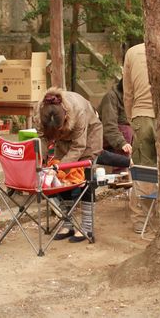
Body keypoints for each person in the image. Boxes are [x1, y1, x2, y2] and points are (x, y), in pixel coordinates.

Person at [35, 87, 103, 242]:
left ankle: (87, 227)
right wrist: (43, 161)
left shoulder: (78, 111)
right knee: (61, 180)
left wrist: (60, 167)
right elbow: (42, 138)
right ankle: (67, 223)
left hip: (88, 139)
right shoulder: (40, 111)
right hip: (62, 142)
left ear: (65, 117)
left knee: (85, 180)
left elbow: (79, 146)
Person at [123, 42, 157, 234]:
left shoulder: (132, 52)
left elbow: (128, 93)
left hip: (140, 116)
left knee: (143, 169)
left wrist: (132, 118)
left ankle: (140, 219)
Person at [98, 79, 133, 158]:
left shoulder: (136, 100)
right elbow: (109, 125)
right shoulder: (111, 97)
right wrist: (122, 143)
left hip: (118, 137)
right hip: (103, 136)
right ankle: (121, 168)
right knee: (126, 130)